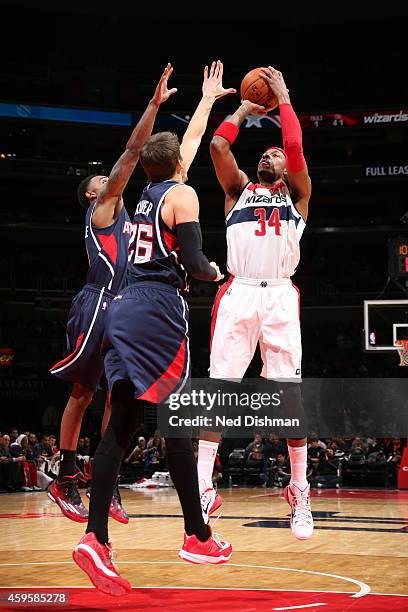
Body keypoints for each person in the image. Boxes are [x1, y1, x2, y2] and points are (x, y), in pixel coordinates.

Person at [73, 61, 235, 596]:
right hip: (159, 310)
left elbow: (173, 149)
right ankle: (195, 535)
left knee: (123, 422)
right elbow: (192, 261)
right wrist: (220, 272)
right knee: (177, 424)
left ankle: (99, 537)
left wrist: (207, 101)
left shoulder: (142, 195)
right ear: (179, 164)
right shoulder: (181, 196)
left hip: (123, 308)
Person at [48, 64, 176, 524]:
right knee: (83, 393)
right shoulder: (103, 209)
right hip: (97, 302)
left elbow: (165, 162)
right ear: (91, 196)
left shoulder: (132, 214)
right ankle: (64, 477)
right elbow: (133, 149)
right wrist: (154, 105)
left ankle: (108, 483)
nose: (108, 179)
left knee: (121, 397)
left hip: (128, 307)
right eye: (100, 181)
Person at [198, 65, 313, 540]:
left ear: (286, 171)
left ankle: (299, 489)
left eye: (277, 155)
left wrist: (283, 96)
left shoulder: (299, 197)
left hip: (281, 295)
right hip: (240, 290)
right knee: (221, 390)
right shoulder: (237, 190)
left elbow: (294, 147)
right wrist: (245, 108)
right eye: (265, 153)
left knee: (290, 399)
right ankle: (203, 487)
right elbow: (218, 147)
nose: (272, 156)